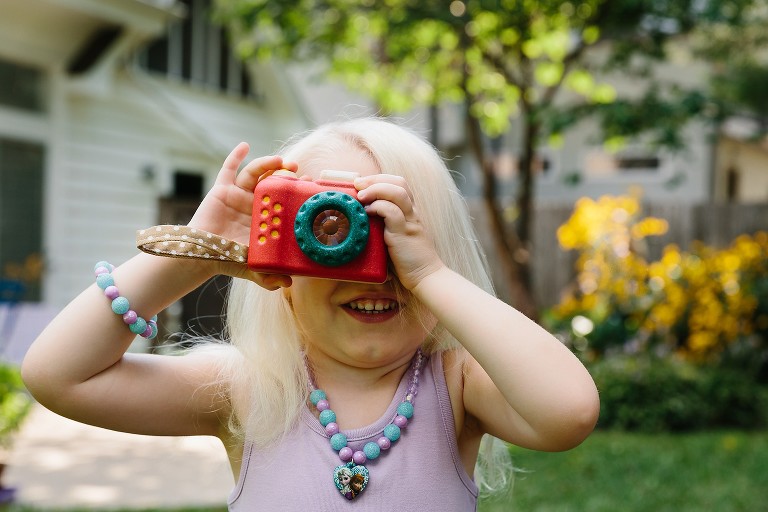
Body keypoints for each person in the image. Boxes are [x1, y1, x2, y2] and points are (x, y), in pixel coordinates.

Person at [21, 118, 600, 510]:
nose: (373, 268)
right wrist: (196, 251)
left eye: (393, 235)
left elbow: (568, 411)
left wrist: (430, 276)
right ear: (281, 273)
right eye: (331, 231)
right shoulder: (250, 390)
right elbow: (58, 375)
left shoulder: (457, 382)